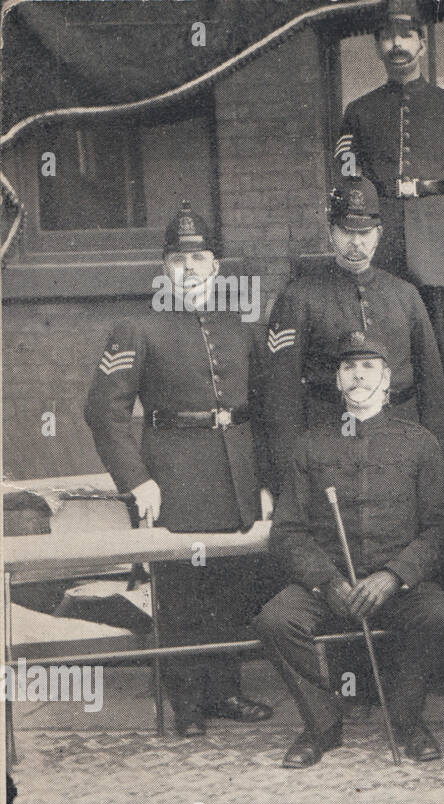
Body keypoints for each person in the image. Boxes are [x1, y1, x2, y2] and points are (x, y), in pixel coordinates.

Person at [85, 200, 275, 737]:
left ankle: (225, 692)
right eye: (178, 261)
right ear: (165, 270)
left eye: (199, 259)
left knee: (229, 590)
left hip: (236, 474)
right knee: (182, 596)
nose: (189, 270)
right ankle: (187, 705)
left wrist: (266, 481)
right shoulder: (136, 327)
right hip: (174, 477)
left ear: (216, 267)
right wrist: (136, 480)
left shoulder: (240, 326)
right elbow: (104, 409)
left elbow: (265, 410)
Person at [254, 331, 444, 768]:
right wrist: (327, 582)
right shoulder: (309, 444)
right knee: (275, 620)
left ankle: (407, 721)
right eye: (349, 367)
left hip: (398, 586)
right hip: (331, 584)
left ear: (387, 381)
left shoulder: (419, 442)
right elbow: (287, 530)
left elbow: (440, 528)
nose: (358, 375)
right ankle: (321, 726)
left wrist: (394, 575)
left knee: (440, 614)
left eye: (369, 367)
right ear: (337, 380)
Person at [263, 176, 444, 479]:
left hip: (400, 437)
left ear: (378, 234)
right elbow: (281, 397)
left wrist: (441, 463)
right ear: (331, 233)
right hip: (328, 437)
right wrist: (290, 475)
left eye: (365, 233)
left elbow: (432, 387)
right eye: (346, 232)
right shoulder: (298, 298)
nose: (356, 243)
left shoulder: (406, 296)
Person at [333, 0, 444, 383]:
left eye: (406, 35)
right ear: (378, 46)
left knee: (440, 358)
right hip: (383, 250)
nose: (396, 44)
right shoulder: (359, 111)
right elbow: (349, 183)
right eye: (387, 37)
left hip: (440, 248)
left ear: (421, 43)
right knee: (383, 351)